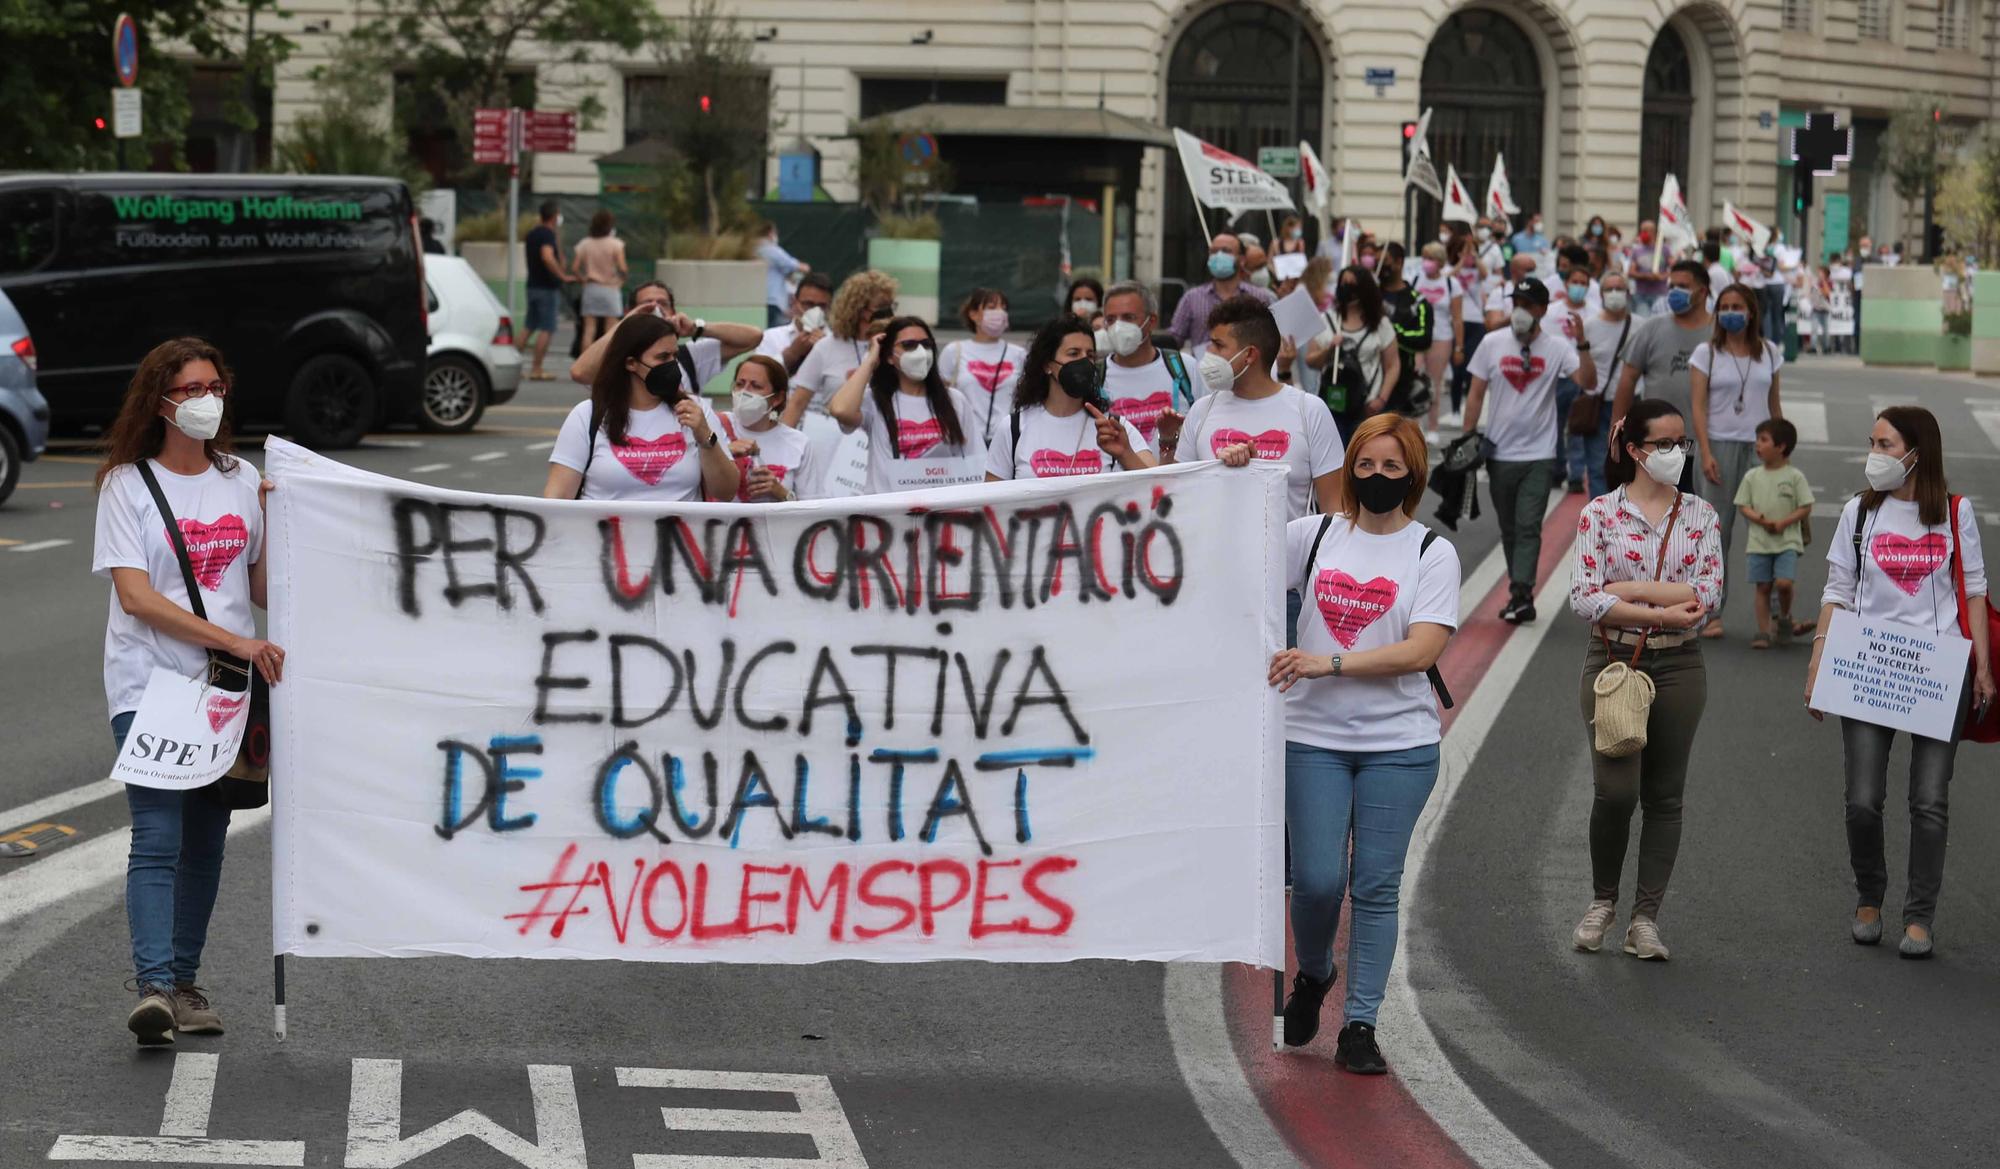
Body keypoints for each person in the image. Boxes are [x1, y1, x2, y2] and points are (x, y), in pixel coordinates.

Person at [92, 337, 284, 1045]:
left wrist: (284, 523)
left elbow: (260, 589)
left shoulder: (240, 479)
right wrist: (235, 640)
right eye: (190, 389)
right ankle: (152, 988)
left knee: (207, 838)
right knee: (158, 832)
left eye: (215, 386)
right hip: (149, 683)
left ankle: (183, 985)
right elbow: (136, 597)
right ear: (160, 403)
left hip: (224, 693)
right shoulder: (126, 485)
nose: (207, 400)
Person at [1270, 412, 1459, 1074]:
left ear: (1414, 473)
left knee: (1375, 884)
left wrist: (1329, 662)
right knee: (1317, 880)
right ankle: (1315, 971)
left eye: (1392, 466)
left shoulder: (1432, 551)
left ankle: (1359, 1023)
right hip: (1310, 737)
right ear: (1349, 468)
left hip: (1399, 746)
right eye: (1366, 464)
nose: (1377, 477)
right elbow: (1222, 538)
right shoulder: (1313, 534)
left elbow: (1424, 648)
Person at [1807, 406, 1994, 959]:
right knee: (1863, 800)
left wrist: (1981, 666)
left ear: (1917, 453)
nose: (1875, 454)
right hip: (1866, 669)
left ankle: (1919, 917)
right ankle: (1870, 896)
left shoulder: (1955, 514)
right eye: (1873, 442)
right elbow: (1836, 588)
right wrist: (1818, 659)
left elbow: (1975, 592)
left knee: (1929, 800)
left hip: (1938, 674)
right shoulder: (1858, 513)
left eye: (1885, 444)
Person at [1567, 398, 1720, 961]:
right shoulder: (1600, 515)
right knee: (1615, 791)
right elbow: (1585, 598)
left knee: (1664, 796)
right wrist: (1659, 607)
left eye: (1682, 443)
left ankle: (1644, 919)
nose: (1676, 453)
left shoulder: (1701, 516)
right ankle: (1603, 900)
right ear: (1634, 450)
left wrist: (1625, 593)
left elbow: (1705, 598)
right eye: (1663, 444)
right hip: (1612, 664)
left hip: (1680, 665)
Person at [1461, 278, 1595, 623]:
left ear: (1542, 310)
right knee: (1509, 528)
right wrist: (1466, 440)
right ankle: (1519, 588)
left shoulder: (1557, 347)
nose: (1520, 310)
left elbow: (1588, 383)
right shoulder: (1492, 343)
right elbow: (1475, 393)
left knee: (1528, 525)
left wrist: (1582, 344)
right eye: (1516, 302)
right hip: (1498, 453)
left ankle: (1522, 593)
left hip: (1540, 453)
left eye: (1528, 304)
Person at [1169, 296, 1345, 528]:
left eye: (1218, 345)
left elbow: (1335, 511)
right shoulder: (1201, 411)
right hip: (1213, 562)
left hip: (1290, 563)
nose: (1207, 353)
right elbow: (1177, 499)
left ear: (1249, 355)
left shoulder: (1309, 411)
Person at [544, 312, 739, 503]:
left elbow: (726, 492)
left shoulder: (695, 409)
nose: (673, 365)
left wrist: (705, 436)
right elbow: (557, 498)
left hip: (680, 535)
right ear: (631, 363)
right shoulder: (588, 415)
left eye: (674, 356)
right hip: (605, 535)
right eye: (662, 358)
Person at [1688, 282, 1784, 639]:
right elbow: (1697, 406)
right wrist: (1706, 452)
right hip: (1720, 447)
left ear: (1752, 312)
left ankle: (1776, 614)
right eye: (1724, 306)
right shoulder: (1706, 353)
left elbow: (1774, 405)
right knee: (1718, 531)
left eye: (1737, 306)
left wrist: (1782, 448)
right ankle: (1711, 611)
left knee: (1769, 531)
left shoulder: (1770, 353)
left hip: (1762, 450)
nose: (1730, 313)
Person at [829, 315, 985, 495]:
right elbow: (840, 409)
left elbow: (976, 460)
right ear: (889, 356)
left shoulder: (955, 400)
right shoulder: (875, 401)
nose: (920, 352)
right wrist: (871, 360)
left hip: (941, 514)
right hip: (888, 515)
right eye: (909, 345)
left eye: (926, 344)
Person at [985, 315, 1153, 481]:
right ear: (1047, 365)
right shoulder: (1013, 429)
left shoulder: (1114, 428)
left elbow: (1159, 487)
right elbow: (990, 502)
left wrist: (1125, 453)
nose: (1084, 362)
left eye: (1090, 355)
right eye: (1073, 353)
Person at [789, 270, 900, 495]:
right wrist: (782, 453)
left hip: (881, 445)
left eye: (891, 306)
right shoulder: (827, 347)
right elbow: (798, 403)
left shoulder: (896, 346)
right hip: (832, 445)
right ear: (859, 309)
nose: (887, 313)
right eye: (881, 307)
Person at [570, 281, 762, 392]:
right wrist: (625, 325)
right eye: (647, 305)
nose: (656, 309)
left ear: (673, 310)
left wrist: (696, 328)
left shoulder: (690, 356)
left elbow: (753, 336)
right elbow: (580, 372)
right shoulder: (621, 361)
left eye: (663, 303)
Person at [1611, 260, 1716, 455]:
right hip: (1656, 446)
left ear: (1702, 293)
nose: (1675, 292)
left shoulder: (1719, 333)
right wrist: (1616, 433)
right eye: (1672, 286)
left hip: (1706, 447)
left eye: (1683, 287)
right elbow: (1627, 380)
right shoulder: (1652, 328)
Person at [1733, 418, 1814, 649]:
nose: (1758, 445)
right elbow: (1743, 504)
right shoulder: (1752, 476)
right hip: (1759, 541)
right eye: (1758, 440)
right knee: (1763, 587)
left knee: (1784, 583)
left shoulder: (1794, 476)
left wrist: (1784, 522)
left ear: (1781, 447)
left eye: (1764, 440)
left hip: (1787, 540)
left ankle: (1785, 616)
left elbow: (1805, 505)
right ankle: (1763, 631)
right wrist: (1757, 518)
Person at [1305, 265, 1399, 442]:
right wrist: (1330, 349)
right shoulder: (1327, 320)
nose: (1347, 289)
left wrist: (1381, 398)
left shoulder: (1380, 324)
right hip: (1331, 405)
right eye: (1343, 284)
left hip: (1367, 406)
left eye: (1352, 285)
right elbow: (1310, 361)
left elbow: (1393, 365)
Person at [1099, 280, 1196, 448]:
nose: (1118, 326)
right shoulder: (1097, 376)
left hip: (1173, 474)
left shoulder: (1184, 367)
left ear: (1151, 321)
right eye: (1111, 319)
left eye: (1128, 317)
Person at [1573, 269, 1636, 499]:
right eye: (1609, 289)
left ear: (1628, 293)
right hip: (1599, 406)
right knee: (1599, 467)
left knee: (1630, 468)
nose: (1614, 293)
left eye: (1619, 288)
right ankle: (1600, 522)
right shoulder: (1589, 326)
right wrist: (1581, 342)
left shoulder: (1640, 326)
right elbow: (1583, 370)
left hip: (1632, 406)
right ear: (1600, 294)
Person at [718, 355, 815, 502]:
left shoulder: (799, 443)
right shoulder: (715, 424)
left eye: (755, 386)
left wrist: (781, 492)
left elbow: (814, 509)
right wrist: (723, 452)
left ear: (777, 399)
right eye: (739, 384)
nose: (744, 392)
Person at [938, 288, 1022, 447]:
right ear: (973, 314)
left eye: (1003, 308)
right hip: (965, 442)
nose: (999, 312)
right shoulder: (954, 351)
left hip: (1007, 442)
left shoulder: (1019, 354)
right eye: (992, 307)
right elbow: (941, 398)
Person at [1167, 234, 1275, 348]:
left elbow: (1271, 340)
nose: (1218, 256)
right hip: (1202, 365)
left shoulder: (1259, 297)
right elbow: (1174, 340)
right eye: (1213, 251)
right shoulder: (1192, 298)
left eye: (1226, 251)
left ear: (1242, 259)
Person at [1410, 242, 1464, 442]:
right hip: (1418, 336)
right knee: (1414, 379)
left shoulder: (1451, 284)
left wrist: (1459, 346)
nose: (1427, 263)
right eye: (1425, 258)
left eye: (1431, 259)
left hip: (1441, 337)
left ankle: (1433, 426)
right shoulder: (1415, 279)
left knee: (1434, 382)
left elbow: (1457, 318)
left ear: (1440, 262)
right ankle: (1415, 424)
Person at [521, 201, 576, 381]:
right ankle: (536, 368)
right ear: (554, 216)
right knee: (547, 328)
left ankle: (513, 365)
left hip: (533, 286)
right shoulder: (546, 235)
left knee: (529, 327)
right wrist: (561, 275)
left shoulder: (533, 233)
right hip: (546, 287)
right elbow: (547, 257)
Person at [754, 270, 834, 375]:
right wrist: (792, 353)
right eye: (808, 304)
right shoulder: (770, 337)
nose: (815, 311)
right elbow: (757, 377)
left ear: (830, 306)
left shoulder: (837, 342)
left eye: (822, 306)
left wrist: (826, 349)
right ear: (795, 302)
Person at [570, 210, 628, 352]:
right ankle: (606, 363)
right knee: (610, 330)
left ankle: (585, 363)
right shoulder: (616, 244)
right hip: (610, 289)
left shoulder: (585, 244)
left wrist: (583, 280)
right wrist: (621, 280)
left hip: (591, 288)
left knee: (589, 329)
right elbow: (622, 268)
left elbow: (575, 268)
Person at [755, 220, 810, 328]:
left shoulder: (752, 250)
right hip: (772, 302)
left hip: (758, 300)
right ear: (770, 233)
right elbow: (802, 268)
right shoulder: (771, 250)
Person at [1625, 222, 1667, 316]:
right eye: (1642, 230)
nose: (1643, 233)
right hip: (1641, 295)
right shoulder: (1637, 250)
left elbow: (1673, 269)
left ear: (1653, 232)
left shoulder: (1664, 249)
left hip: (1660, 294)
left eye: (1645, 230)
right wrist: (1646, 276)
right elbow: (1631, 272)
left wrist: (1661, 276)